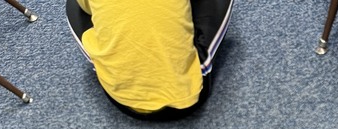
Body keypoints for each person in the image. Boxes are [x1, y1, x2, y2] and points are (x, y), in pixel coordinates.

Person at [65, 0, 233, 120]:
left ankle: (112, 63)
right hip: (189, 93)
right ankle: (195, 59)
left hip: (122, 97)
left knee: (75, 5)